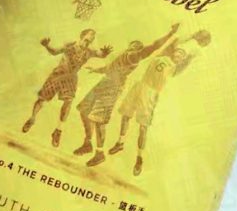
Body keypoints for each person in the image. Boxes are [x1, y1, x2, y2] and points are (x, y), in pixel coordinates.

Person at [74, 23, 180, 167]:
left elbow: (154, 46)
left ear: (138, 49)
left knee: (98, 119)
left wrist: (170, 34)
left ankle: (99, 153)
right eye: (132, 44)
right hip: (104, 83)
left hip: (113, 88)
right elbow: (109, 68)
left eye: (137, 45)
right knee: (83, 110)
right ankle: (87, 143)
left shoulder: (134, 56)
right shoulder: (123, 55)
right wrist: (96, 70)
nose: (133, 45)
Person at [109, 30, 211, 176]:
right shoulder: (161, 57)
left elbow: (184, 63)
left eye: (181, 56)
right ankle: (120, 142)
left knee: (143, 127)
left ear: (182, 60)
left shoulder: (174, 68)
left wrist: (191, 56)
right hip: (139, 86)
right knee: (125, 116)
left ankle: (139, 158)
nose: (178, 56)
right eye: (178, 53)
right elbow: (173, 43)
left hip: (150, 94)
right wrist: (191, 36)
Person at [22, 29, 112, 147]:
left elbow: (101, 55)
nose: (91, 38)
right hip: (58, 74)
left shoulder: (89, 51)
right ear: (82, 35)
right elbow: (54, 52)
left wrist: (105, 53)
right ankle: (32, 119)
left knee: (68, 102)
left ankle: (58, 130)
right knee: (42, 99)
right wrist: (47, 46)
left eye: (93, 37)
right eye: (89, 35)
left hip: (70, 79)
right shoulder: (70, 45)